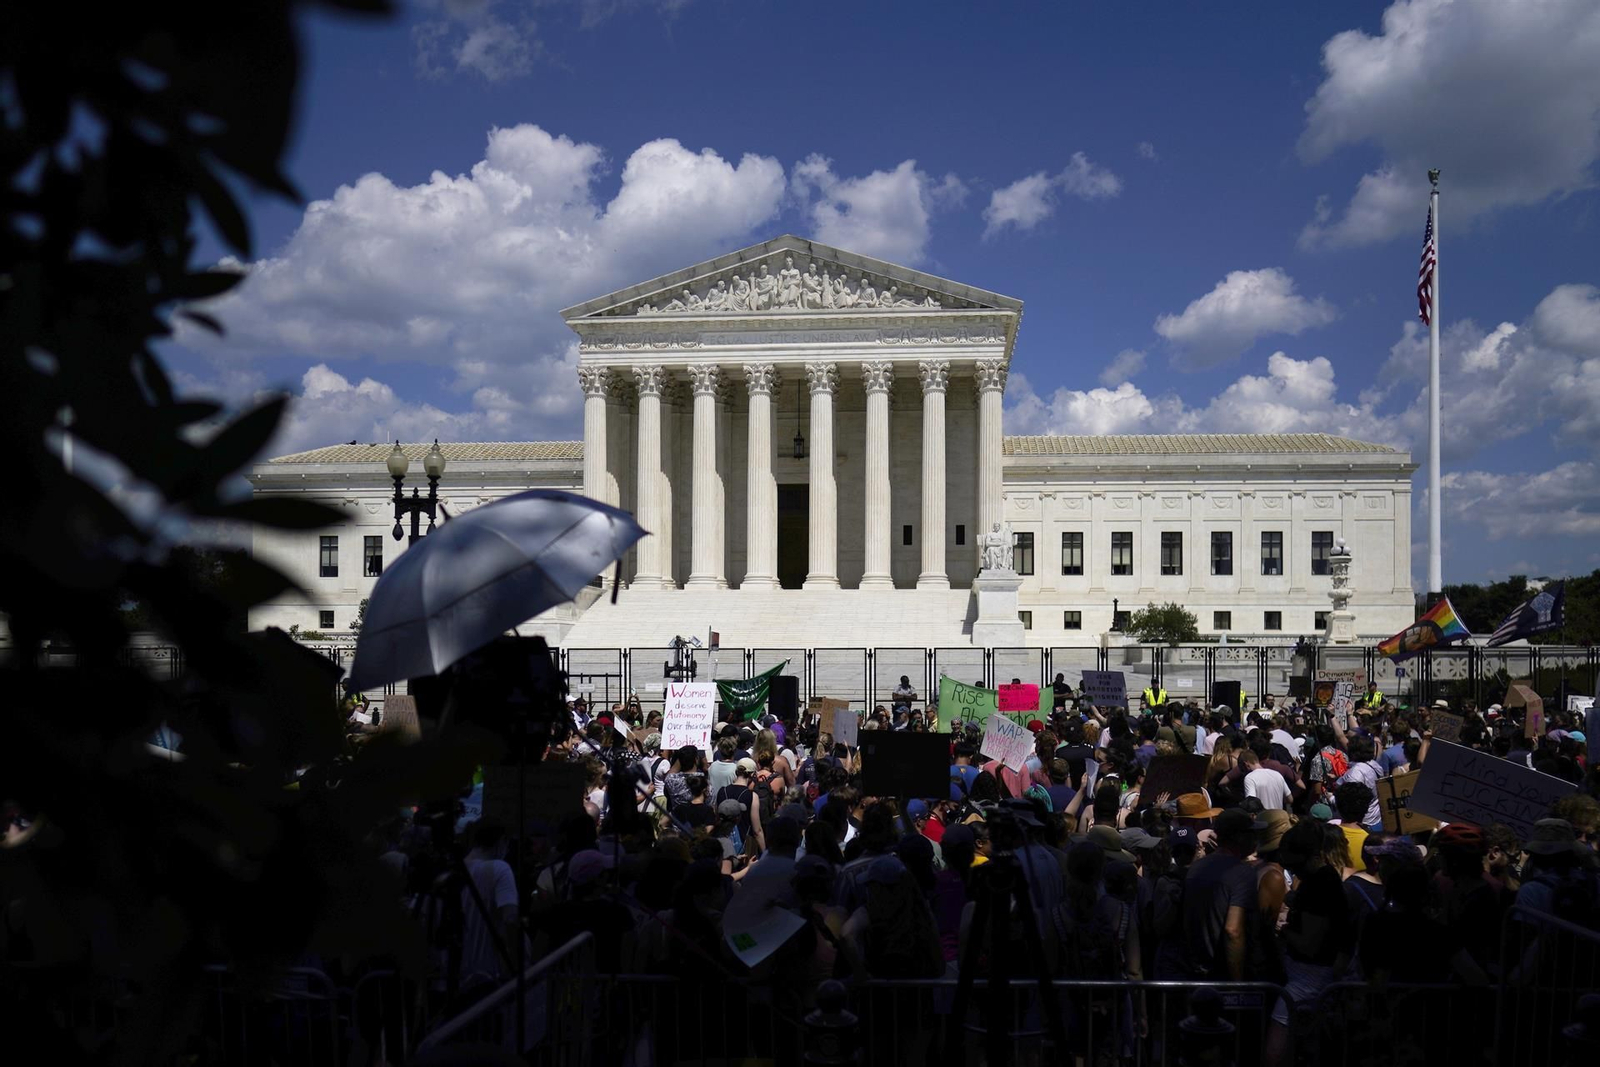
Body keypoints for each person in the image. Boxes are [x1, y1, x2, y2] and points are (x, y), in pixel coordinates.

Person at [1178, 808, 1260, 981]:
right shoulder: (1242, 873)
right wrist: (1238, 985)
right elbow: (1233, 930)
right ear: (1239, 837)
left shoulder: (1196, 868)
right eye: (1251, 833)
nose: (1256, 839)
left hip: (1195, 971)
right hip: (1224, 975)